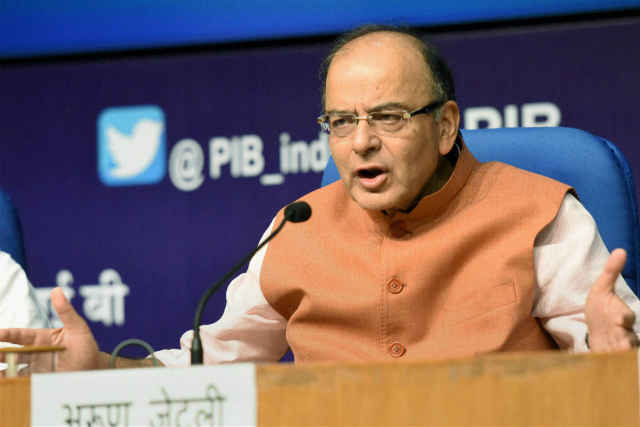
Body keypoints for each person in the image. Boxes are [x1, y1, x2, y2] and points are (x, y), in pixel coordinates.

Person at [1, 25, 639, 370]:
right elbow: (214, 365)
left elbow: (610, 361)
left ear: (446, 126)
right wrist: (101, 369)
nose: (360, 143)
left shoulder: (540, 213)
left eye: (388, 117)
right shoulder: (298, 226)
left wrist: (622, 364)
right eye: (340, 122)